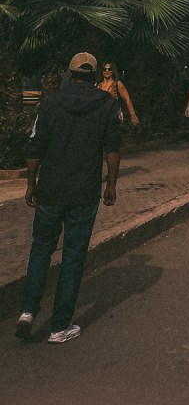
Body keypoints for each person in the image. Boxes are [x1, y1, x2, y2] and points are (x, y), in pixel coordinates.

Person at [16, 52, 120, 343]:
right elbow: (113, 149)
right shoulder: (108, 104)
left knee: (40, 250)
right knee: (73, 256)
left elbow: (35, 146)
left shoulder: (50, 103)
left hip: (50, 190)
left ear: (69, 73)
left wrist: (31, 183)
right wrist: (110, 185)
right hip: (84, 193)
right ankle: (59, 327)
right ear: (96, 75)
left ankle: (27, 311)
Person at [97, 62, 140, 127]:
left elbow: (127, 99)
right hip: (101, 117)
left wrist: (133, 115)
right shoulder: (98, 85)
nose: (107, 71)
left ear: (113, 70)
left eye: (109, 69)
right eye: (104, 69)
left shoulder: (117, 84)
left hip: (114, 116)